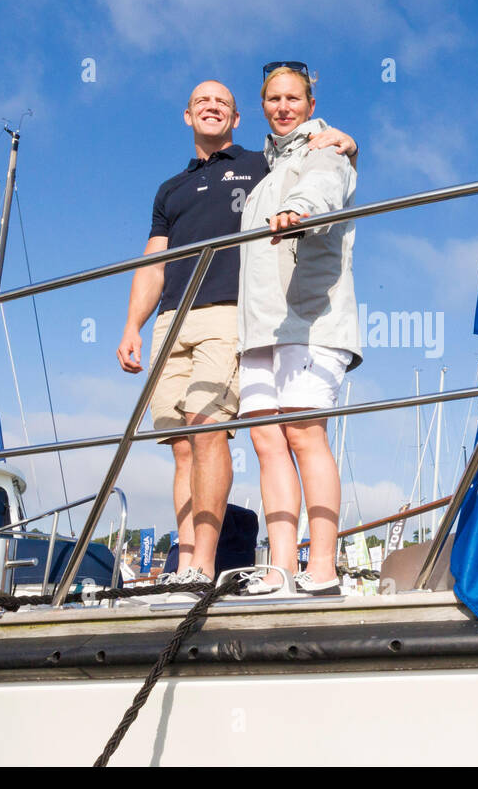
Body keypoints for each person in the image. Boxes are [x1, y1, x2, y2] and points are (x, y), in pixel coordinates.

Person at [117, 79, 355, 588]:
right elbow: (154, 261)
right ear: (187, 116)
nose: (211, 108)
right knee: (181, 442)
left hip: (231, 314)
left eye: (223, 102)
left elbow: (313, 163)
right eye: (202, 101)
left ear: (237, 118)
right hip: (169, 320)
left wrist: (346, 141)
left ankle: (206, 566)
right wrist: (132, 325)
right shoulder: (170, 189)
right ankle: (183, 568)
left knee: (208, 428)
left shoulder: (259, 163)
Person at [238, 63, 359, 596]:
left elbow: (326, 185)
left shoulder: (324, 148)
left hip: (310, 319)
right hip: (259, 325)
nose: (283, 106)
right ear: (263, 106)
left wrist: (298, 210)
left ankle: (324, 567)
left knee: (304, 433)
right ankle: (279, 567)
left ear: (310, 104)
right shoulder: (266, 171)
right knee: (266, 440)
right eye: (273, 98)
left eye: (293, 98)